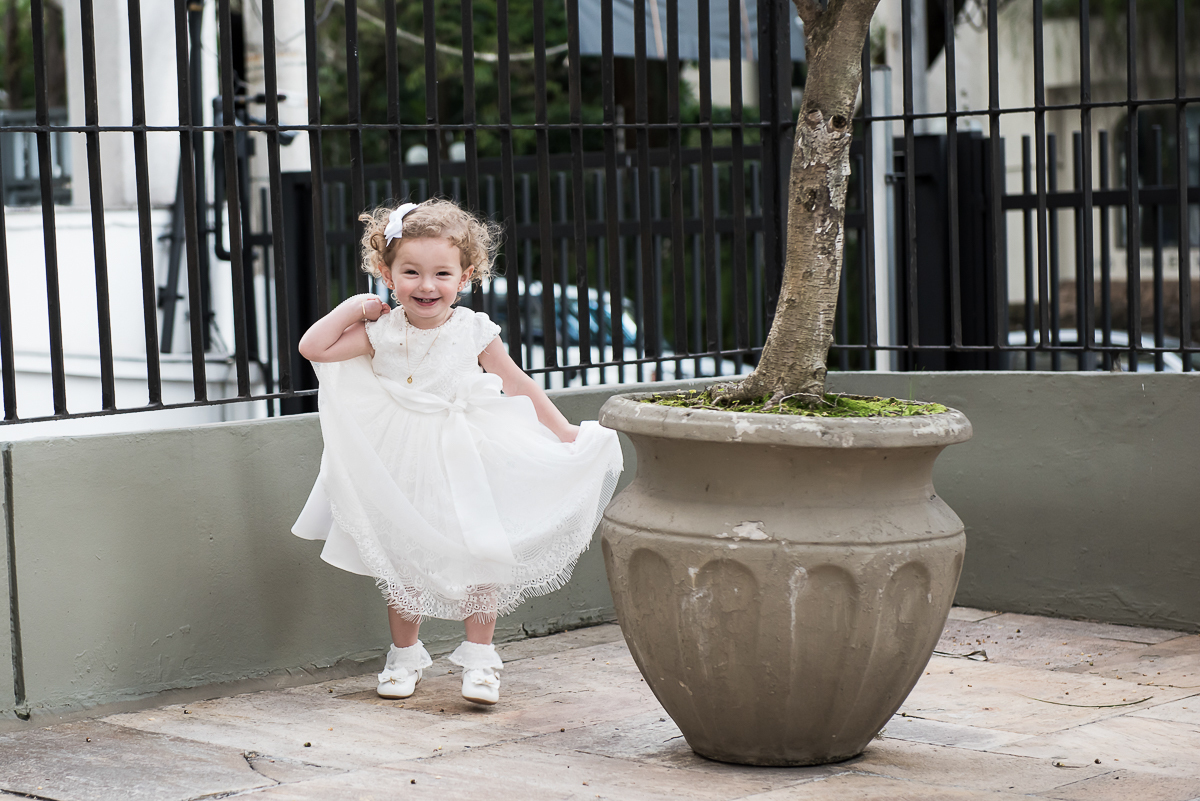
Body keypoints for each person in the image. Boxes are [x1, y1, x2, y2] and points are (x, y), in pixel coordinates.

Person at [292, 198, 623, 706]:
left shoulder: (473, 330)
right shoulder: (380, 332)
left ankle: (481, 659)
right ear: (387, 274)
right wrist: (355, 306)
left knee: (481, 554)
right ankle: (404, 656)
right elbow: (313, 347)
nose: (426, 285)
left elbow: (517, 383)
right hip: (404, 463)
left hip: (469, 456)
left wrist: (563, 432)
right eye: (411, 272)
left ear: (466, 276)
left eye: (442, 273)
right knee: (405, 562)